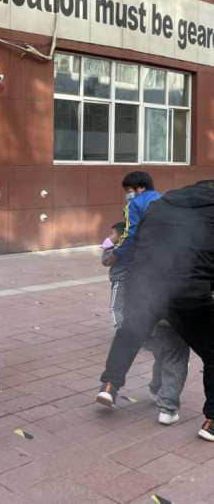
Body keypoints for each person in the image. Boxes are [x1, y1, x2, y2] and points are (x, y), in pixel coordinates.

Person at [95, 180, 214, 442]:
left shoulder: (162, 204)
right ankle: (211, 421)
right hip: (188, 291)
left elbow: (140, 243)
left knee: (129, 334)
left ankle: (110, 384)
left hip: (145, 284)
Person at [101, 221, 190, 425]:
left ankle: (124, 387)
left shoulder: (145, 243)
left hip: (148, 309)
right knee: (174, 354)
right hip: (177, 310)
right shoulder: (189, 245)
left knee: (161, 351)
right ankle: (167, 407)